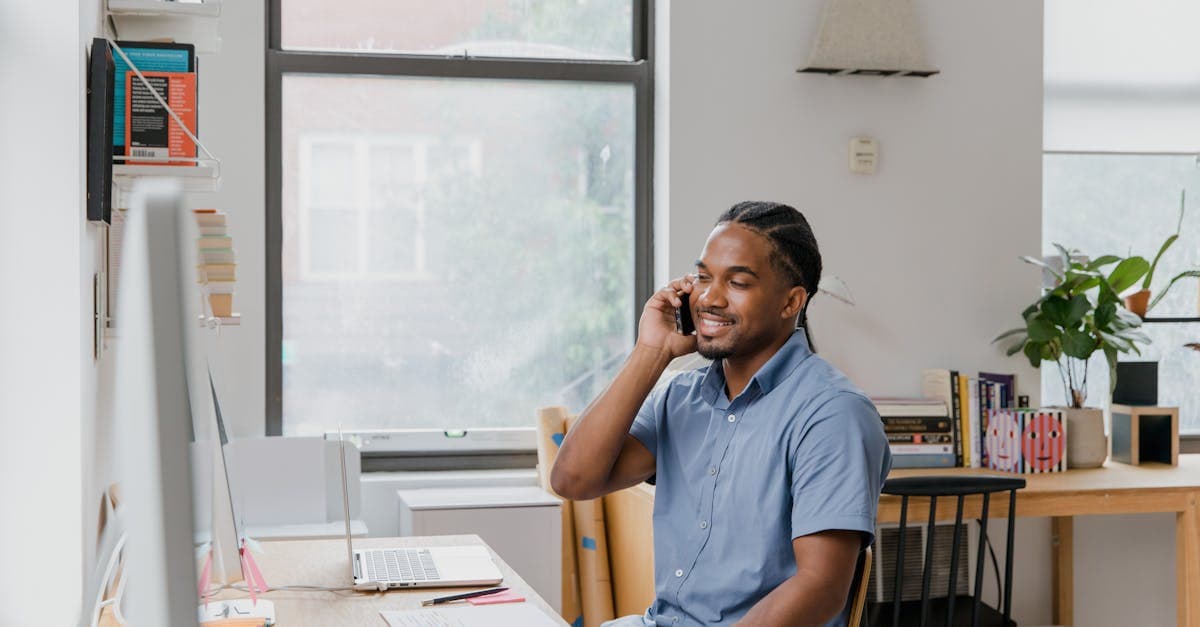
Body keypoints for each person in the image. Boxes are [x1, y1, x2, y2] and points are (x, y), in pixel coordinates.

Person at [551, 201, 892, 627]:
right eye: (703, 277)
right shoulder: (681, 397)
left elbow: (820, 587)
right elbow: (573, 480)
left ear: (791, 303)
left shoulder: (832, 414)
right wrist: (651, 353)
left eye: (738, 282)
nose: (709, 297)